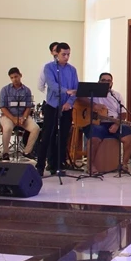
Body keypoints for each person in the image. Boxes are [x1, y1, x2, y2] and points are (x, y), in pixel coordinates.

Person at [38, 43, 78, 176]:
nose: (66, 57)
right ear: (57, 54)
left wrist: (69, 103)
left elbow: (76, 89)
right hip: (52, 106)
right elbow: (52, 85)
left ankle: (59, 164)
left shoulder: (72, 70)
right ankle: (40, 165)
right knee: (47, 136)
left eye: (68, 54)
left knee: (63, 136)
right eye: (63, 54)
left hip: (66, 107)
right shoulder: (49, 67)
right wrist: (66, 91)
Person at [87, 72, 131, 172]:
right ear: (99, 82)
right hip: (98, 123)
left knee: (130, 137)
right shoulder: (92, 94)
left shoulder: (116, 95)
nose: (106, 82)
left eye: (108, 81)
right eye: (103, 80)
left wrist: (117, 124)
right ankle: (90, 165)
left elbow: (123, 114)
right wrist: (94, 105)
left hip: (114, 122)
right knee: (94, 138)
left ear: (112, 83)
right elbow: (80, 100)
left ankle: (124, 164)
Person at [0, 67, 40, 159]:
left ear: (20, 75)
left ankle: (27, 151)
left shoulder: (27, 90)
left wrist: (24, 117)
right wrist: (13, 118)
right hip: (8, 116)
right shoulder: (5, 90)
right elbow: (3, 107)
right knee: (7, 128)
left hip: (22, 116)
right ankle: (5, 153)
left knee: (36, 128)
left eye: (16, 77)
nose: (14, 79)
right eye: (12, 78)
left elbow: (28, 106)